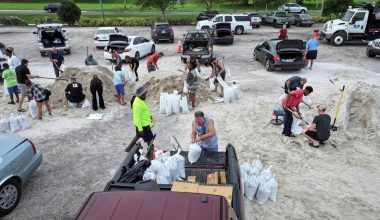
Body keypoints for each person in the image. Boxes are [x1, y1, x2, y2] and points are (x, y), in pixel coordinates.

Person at [132, 86, 155, 159]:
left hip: (143, 124)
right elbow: (137, 117)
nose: (145, 96)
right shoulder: (137, 104)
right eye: (143, 95)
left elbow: (143, 112)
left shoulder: (140, 100)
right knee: (150, 140)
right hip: (143, 126)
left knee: (138, 136)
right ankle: (151, 155)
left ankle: (129, 148)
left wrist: (149, 117)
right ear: (139, 95)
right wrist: (140, 129)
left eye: (145, 94)